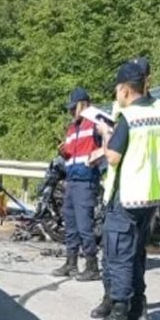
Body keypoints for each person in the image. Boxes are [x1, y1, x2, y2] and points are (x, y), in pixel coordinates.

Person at [92, 61, 160, 320]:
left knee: (119, 255)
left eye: (117, 90)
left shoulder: (128, 118)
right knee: (137, 255)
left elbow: (113, 157)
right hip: (151, 197)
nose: (116, 95)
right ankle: (139, 311)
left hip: (127, 197)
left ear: (126, 90)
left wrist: (107, 136)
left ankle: (119, 315)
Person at [54, 87, 104, 281]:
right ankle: (71, 262)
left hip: (86, 181)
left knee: (84, 225)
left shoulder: (95, 124)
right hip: (72, 180)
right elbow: (71, 155)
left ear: (83, 105)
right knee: (71, 224)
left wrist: (99, 156)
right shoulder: (71, 129)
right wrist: (63, 152)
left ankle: (92, 265)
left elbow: (110, 141)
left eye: (73, 108)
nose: (70, 112)